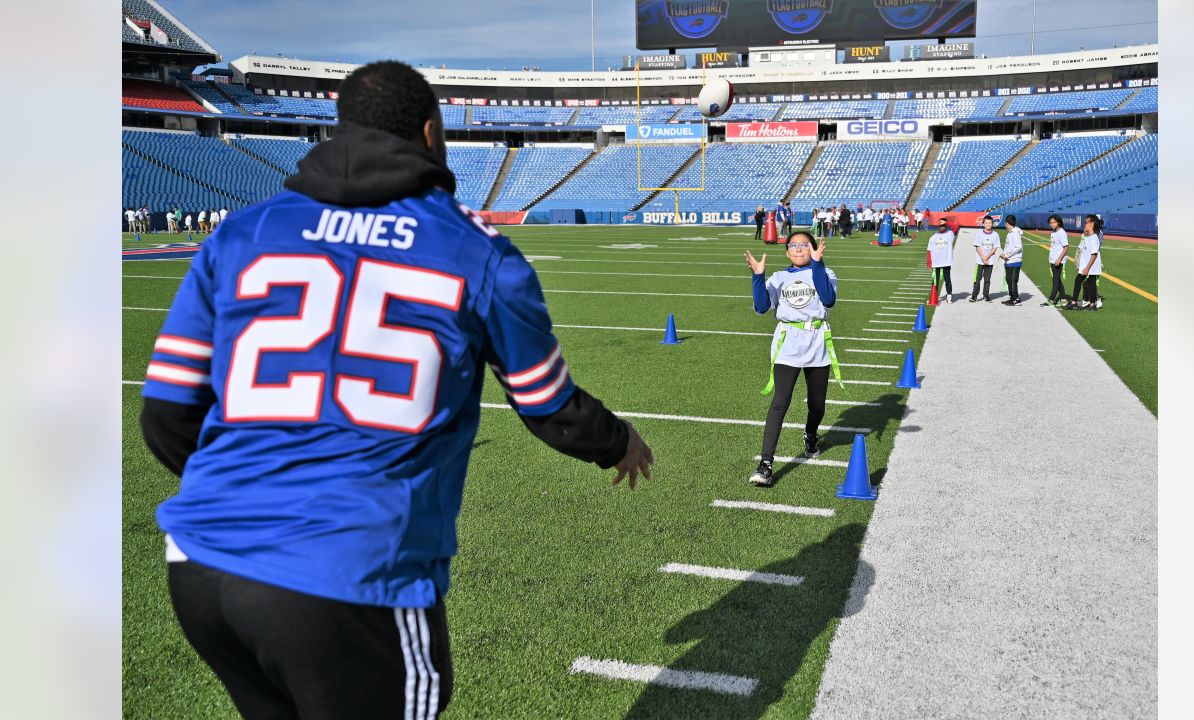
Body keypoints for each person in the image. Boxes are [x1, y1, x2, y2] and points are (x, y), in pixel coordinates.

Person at [139, 60, 653, 720]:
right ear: (431, 134)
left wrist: (256, 493)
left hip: (203, 566)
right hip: (348, 571)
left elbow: (167, 415)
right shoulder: (477, 249)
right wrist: (618, 443)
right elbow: (548, 403)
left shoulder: (244, 232)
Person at [743, 231, 839, 487]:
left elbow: (828, 299)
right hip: (788, 344)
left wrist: (817, 265)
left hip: (817, 342)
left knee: (817, 405)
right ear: (787, 252)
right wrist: (757, 276)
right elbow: (762, 306)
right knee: (780, 401)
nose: (798, 249)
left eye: (804, 245)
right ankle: (765, 464)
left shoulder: (826, 273)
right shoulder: (779, 278)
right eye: (793, 245)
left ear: (814, 249)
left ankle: (810, 435)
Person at [1066, 214, 1104, 311]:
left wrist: (1087, 268)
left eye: (1086, 222)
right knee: (1082, 282)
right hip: (1086, 266)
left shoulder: (1094, 238)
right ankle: (1077, 303)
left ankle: (1092, 305)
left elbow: (1094, 254)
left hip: (1091, 267)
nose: (1085, 224)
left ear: (1091, 224)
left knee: (1090, 284)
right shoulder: (1088, 237)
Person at [969, 214, 1000, 303]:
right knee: (977, 279)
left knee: (987, 280)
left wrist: (987, 257)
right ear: (983, 224)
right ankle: (974, 296)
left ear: (992, 224)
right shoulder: (979, 234)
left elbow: (995, 248)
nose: (988, 224)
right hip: (980, 261)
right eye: (986, 223)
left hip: (989, 261)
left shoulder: (995, 235)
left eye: (990, 223)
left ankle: (986, 295)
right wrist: (983, 257)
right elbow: (977, 247)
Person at [1042, 214, 1071, 306]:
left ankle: (1051, 299)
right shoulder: (1053, 232)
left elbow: (1066, 247)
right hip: (1053, 259)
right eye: (1050, 223)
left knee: (1055, 280)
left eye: (1054, 222)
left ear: (1058, 222)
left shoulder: (1061, 232)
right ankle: (1063, 300)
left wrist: (1059, 259)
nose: (1052, 224)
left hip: (1058, 260)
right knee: (1057, 279)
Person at [928, 218, 955, 303]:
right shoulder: (933, 237)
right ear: (938, 226)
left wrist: (947, 222)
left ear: (946, 226)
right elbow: (929, 250)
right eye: (940, 225)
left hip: (946, 261)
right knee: (935, 280)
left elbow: (955, 227)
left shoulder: (950, 234)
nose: (942, 227)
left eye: (944, 225)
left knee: (947, 279)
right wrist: (929, 262)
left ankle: (949, 295)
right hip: (936, 262)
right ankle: (934, 296)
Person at [1000, 214, 1024, 306]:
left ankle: (1016, 299)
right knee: (1009, 280)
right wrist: (1004, 255)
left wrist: (1007, 255)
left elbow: (1018, 247)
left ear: (1007, 223)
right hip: (1009, 261)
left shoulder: (1015, 234)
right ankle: (1012, 297)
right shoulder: (1011, 233)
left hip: (1015, 261)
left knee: (1013, 280)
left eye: (1005, 223)